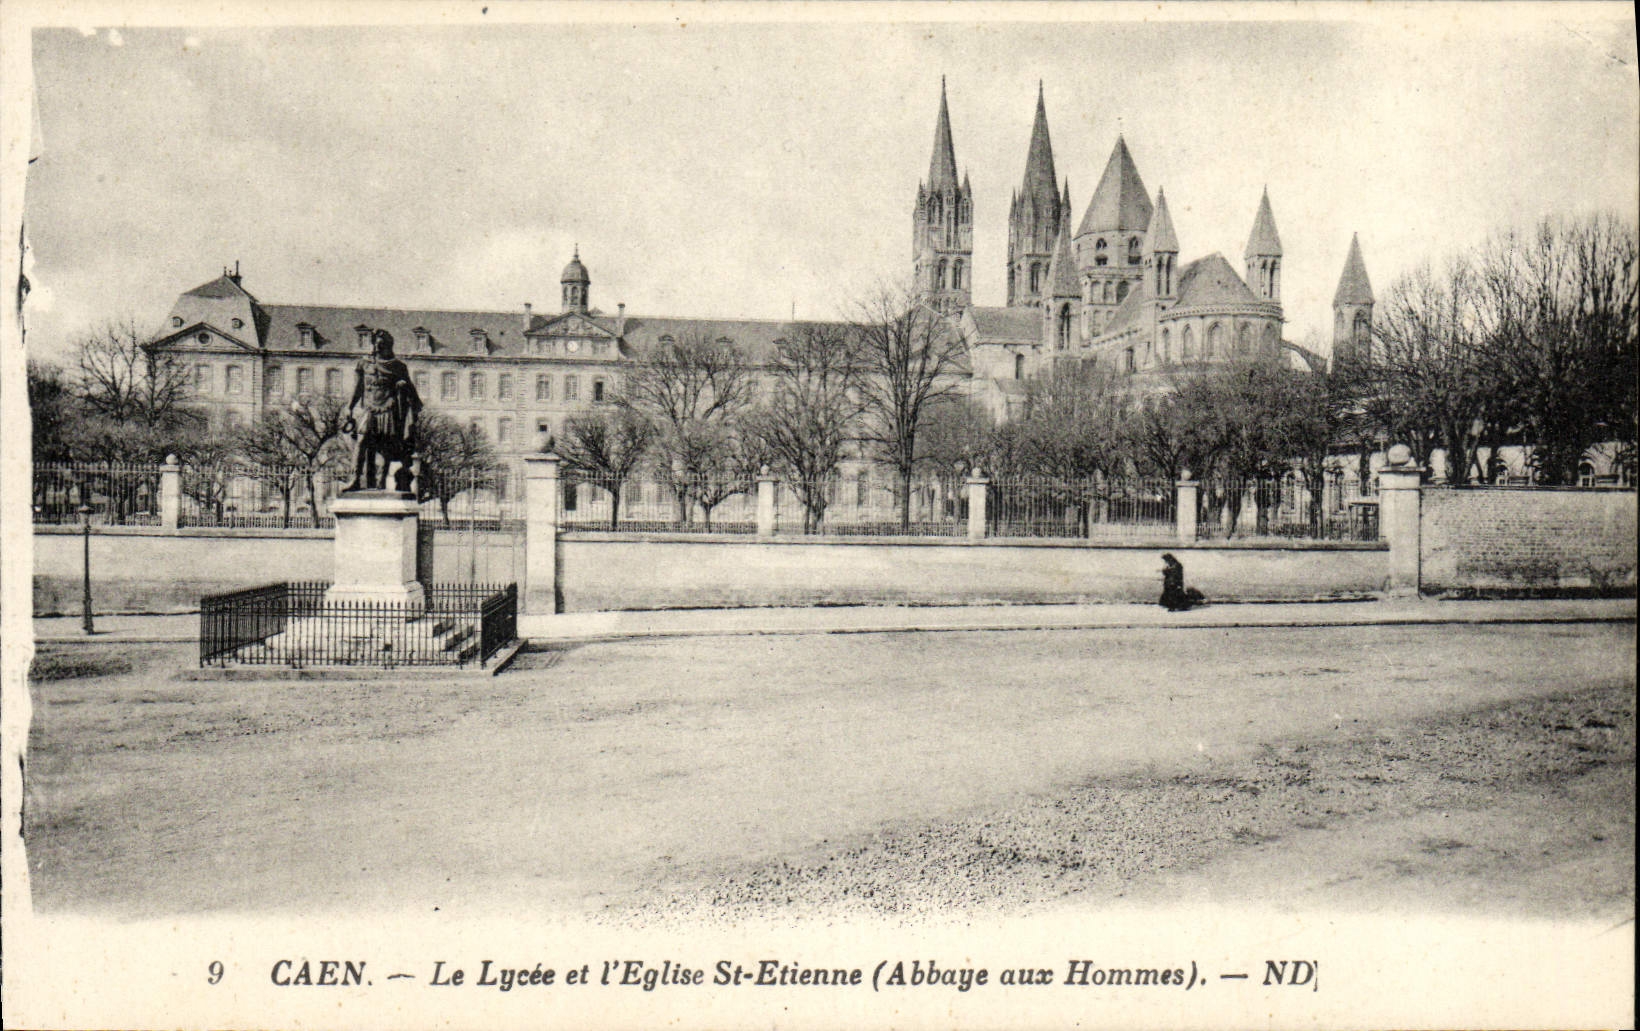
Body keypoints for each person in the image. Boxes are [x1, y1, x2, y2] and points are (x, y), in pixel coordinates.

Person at [343, 329, 423, 493]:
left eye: (382, 344)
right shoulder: (364, 364)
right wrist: (349, 407)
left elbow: (412, 393)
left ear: (388, 345)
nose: (378, 347)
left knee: (385, 447)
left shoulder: (398, 366)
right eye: (376, 343)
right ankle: (355, 479)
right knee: (361, 440)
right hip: (369, 408)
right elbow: (358, 388)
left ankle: (380, 483)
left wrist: (403, 387)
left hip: (388, 408)